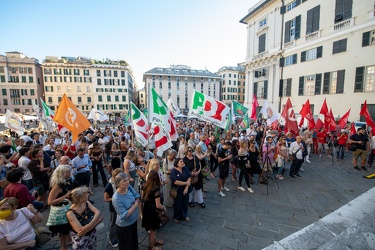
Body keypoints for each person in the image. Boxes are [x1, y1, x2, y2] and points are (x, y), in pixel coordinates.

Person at [112, 173, 140, 250]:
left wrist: (134, 204)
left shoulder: (128, 187)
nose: (127, 182)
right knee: (126, 246)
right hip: (125, 226)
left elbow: (137, 196)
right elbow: (124, 215)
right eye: (124, 181)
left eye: (127, 180)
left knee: (134, 242)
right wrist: (135, 205)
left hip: (133, 221)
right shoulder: (116, 198)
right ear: (118, 184)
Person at [47, 165, 72, 250]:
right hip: (59, 212)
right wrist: (65, 196)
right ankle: (63, 246)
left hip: (65, 208)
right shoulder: (57, 186)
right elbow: (50, 202)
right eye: (67, 172)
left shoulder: (65, 182)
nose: (69, 173)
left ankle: (68, 240)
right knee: (62, 230)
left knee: (66, 228)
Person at [141, 170, 166, 250]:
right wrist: (163, 207)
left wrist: (141, 213)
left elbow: (141, 200)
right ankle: (151, 246)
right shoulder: (156, 189)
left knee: (152, 229)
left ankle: (154, 241)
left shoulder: (144, 186)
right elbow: (158, 205)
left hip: (146, 209)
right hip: (153, 212)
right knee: (153, 230)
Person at [104, 168, 124, 248]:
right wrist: (117, 198)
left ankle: (119, 235)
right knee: (113, 223)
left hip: (121, 206)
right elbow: (106, 199)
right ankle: (112, 239)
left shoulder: (119, 183)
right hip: (114, 207)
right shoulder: (109, 186)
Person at [170, 158, 191, 223]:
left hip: (185, 189)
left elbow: (189, 178)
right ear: (177, 164)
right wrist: (185, 183)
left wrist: (186, 187)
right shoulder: (174, 171)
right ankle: (177, 216)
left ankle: (185, 215)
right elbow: (175, 182)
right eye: (181, 162)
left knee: (185, 203)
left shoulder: (185, 168)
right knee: (177, 204)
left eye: (183, 161)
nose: (183, 162)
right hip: (178, 190)